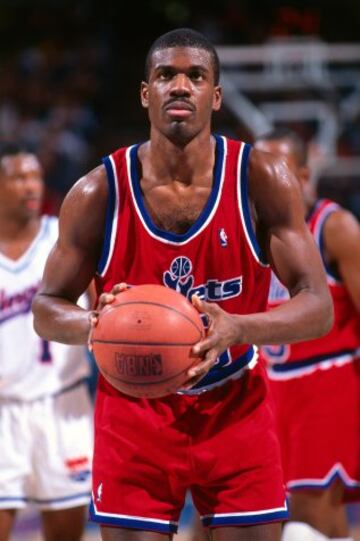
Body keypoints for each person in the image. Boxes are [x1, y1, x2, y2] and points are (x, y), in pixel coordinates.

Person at [32, 28, 333, 541]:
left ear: (214, 96)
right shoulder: (98, 191)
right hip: (134, 412)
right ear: (145, 93)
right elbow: (46, 307)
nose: (180, 86)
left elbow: (317, 306)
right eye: (165, 74)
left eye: (196, 76)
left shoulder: (260, 178)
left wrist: (237, 328)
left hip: (235, 406)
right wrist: (96, 323)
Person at [255, 129, 360, 541]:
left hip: (327, 385)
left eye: (279, 170)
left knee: (313, 518)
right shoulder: (249, 231)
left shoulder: (335, 227)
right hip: (266, 390)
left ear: (302, 173)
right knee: (257, 519)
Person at [0, 142, 93, 541]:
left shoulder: (64, 238)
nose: (31, 185)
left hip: (63, 405)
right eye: (19, 177)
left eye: (35, 175)